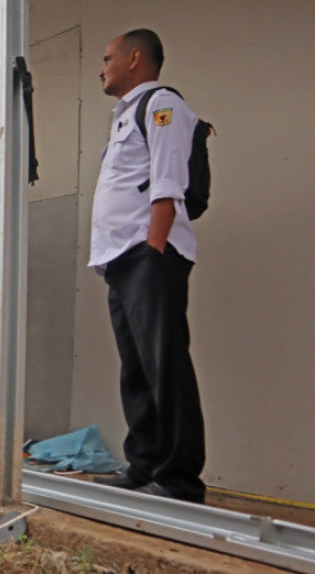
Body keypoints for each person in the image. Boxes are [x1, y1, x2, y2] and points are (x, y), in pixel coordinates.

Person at [89, 29, 205, 503]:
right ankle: (144, 464)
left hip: (147, 257)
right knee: (135, 369)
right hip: (122, 260)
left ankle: (178, 478)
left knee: (165, 364)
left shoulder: (162, 106)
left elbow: (168, 183)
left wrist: (154, 253)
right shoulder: (122, 119)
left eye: (107, 56)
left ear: (135, 58)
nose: (102, 67)